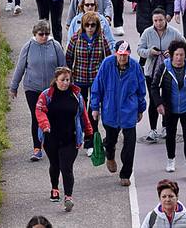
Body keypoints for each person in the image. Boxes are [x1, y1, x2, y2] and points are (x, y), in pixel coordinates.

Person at [35, 66, 94, 210]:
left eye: (68, 80)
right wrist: (45, 125)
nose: (66, 83)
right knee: (55, 165)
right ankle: (55, 188)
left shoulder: (76, 95)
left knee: (66, 167)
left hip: (71, 138)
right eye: (62, 80)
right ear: (56, 80)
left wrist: (88, 131)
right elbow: (39, 111)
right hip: (51, 138)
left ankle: (68, 197)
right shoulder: (47, 95)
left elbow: (83, 114)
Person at [89, 40, 146, 186]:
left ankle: (125, 173)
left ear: (129, 54)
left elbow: (141, 90)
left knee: (130, 144)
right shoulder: (107, 64)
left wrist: (141, 109)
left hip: (128, 112)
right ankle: (110, 155)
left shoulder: (135, 67)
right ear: (115, 53)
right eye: (120, 55)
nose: (122, 58)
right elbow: (97, 87)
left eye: (125, 55)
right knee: (110, 141)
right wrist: (95, 107)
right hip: (110, 111)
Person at [10, 20, 67, 162]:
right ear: (35, 34)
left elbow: (63, 68)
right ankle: (37, 148)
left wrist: (66, 86)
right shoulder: (28, 47)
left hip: (52, 89)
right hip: (32, 88)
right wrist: (14, 87)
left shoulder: (55, 46)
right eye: (41, 34)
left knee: (53, 116)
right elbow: (20, 68)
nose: (44, 37)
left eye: (47, 34)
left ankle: (53, 143)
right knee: (37, 117)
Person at [150, 39, 186, 178]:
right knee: (170, 135)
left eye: (182, 55)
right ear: (171, 55)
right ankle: (171, 160)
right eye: (176, 55)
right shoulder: (164, 67)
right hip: (170, 108)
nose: (179, 58)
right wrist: (159, 104)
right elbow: (154, 87)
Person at [65, 12, 114, 153]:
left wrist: (106, 77)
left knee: (93, 109)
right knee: (81, 108)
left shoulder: (101, 39)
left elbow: (108, 59)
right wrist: (70, 76)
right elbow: (68, 58)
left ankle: (91, 140)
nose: (90, 28)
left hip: (96, 80)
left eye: (93, 25)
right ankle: (83, 135)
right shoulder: (76, 38)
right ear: (83, 25)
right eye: (87, 25)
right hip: (79, 79)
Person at [138, 9, 184, 143]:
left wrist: (173, 52)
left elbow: (183, 45)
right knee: (154, 100)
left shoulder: (174, 32)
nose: (158, 23)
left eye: (161, 20)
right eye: (156, 20)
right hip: (151, 71)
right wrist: (150, 52)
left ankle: (165, 126)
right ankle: (152, 129)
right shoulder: (147, 32)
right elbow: (139, 49)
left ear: (165, 20)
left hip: (169, 71)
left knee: (167, 98)